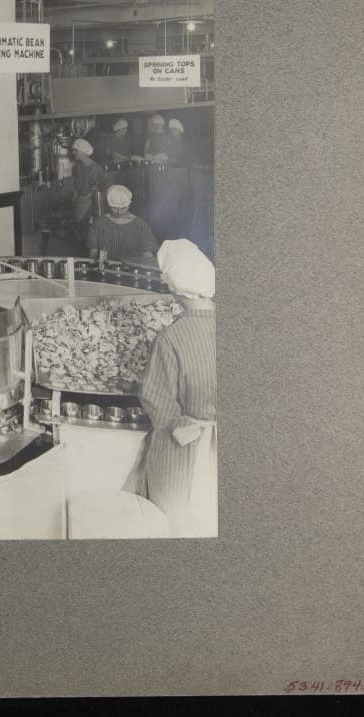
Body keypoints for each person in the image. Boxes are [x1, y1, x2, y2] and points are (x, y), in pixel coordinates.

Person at [138, 239, 217, 537]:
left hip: (184, 454)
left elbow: (157, 403)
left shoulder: (171, 338)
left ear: (173, 288)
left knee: (174, 529)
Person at [86, 185, 158, 264]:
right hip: (105, 270)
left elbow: (147, 255)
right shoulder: (99, 224)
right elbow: (93, 256)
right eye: (114, 207)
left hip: (133, 271)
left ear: (129, 204)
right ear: (108, 204)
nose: (118, 212)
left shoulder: (140, 225)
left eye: (123, 208)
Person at [143, 114, 179, 240]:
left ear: (161, 124)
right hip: (153, 174)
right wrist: (152, 157)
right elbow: (146, 153)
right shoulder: (151, 137)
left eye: (157, 124)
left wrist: (158, 158)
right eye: (154, 124)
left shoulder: (168, 137)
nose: (155, 126)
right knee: (154, 202)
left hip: (165, 174)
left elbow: (169, 155)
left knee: (164, 202)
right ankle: (156, 233)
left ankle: (166, 233)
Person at [69, 137, 109, 226]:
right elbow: (76, 187)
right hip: (81, 200)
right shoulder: (78, 167)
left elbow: (95, 191)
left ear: (83, 151)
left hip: (92, 202)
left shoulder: (95, 168)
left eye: (75, 150)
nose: (73, 153)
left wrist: (80, 204)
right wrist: (73, 202)